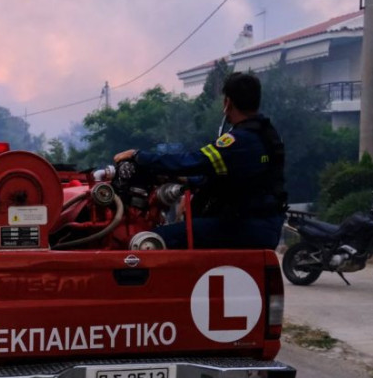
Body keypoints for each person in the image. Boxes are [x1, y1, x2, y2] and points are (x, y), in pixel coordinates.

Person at [113, 72, 286, 250]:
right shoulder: (267, 134)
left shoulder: (239, 140)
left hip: (243, 227)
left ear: (227, 103)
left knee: (151, 240)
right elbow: (233, 180)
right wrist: (187, 181)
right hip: (263, 225)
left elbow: (193, 161)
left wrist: (139, 156)